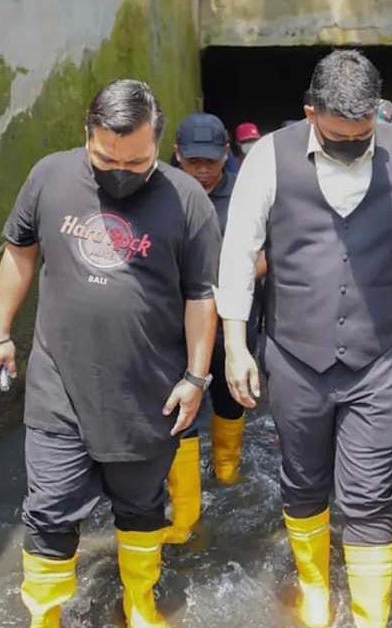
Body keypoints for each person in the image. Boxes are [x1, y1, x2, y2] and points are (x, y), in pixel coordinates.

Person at [216, 50, 392, 628]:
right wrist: (236, 346)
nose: (351, 144)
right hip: (294, 355)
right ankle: (314, 587)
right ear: (310, 112)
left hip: (377, 357)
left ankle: (370, 615)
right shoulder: (268, 157)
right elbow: (238, 254)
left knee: (370, 492)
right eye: (337, 135)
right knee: (303, 480)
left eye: (361, 135)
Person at [0, 79, 221, 627]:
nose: (119, 172)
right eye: (104, 159)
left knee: (140, 505)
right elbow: (19, 253)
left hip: (148, 392)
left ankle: (139, 601)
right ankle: (45, 616)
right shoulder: (49, 177)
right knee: (49, 508)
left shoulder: (187, 199)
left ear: (158, 144)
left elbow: (200, 296)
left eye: (135, 162)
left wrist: (195, 377)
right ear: (86, 135)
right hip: (59, 386)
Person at [164, 114, 262, 549]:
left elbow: (269, 253)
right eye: (193, 162)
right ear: (177, 155)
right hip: (171, 324)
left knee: (228, 397)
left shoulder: (246, 194)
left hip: (229, 321)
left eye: (211, 161)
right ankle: (186, 515)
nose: (203, 171)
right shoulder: (161, 192)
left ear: (226, 153)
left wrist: (226, 284)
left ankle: (227, 472)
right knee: (176, 407)